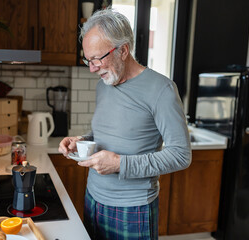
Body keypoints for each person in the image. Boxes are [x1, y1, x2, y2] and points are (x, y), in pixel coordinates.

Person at [58, 8, 191, 240]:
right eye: (88, 60)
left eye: (97, 58)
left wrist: (120, 164)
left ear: (123, 51)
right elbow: (109, 133)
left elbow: (181, 155)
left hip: (133, 208)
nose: (92, 68)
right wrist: (82, 141)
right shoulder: (104, 84)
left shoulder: (162, 89)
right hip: (93, 199)